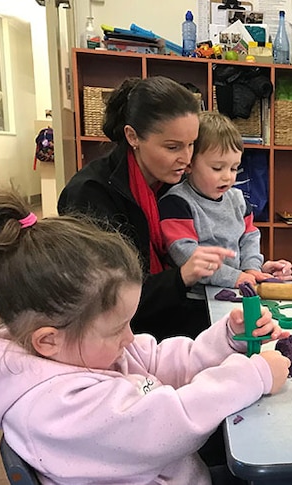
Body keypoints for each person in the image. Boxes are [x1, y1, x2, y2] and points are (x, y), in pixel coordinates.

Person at [0, 188, 291, 485]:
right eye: (117, 329)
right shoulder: (59, 407)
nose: (130, 338)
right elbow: (168, 424)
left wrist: (228, 337)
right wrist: (253, 375)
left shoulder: (81, 351)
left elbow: (160, 360)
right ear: (48, 340)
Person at [58, 76, 230, 340]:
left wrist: (254, 268)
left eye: (192, 144)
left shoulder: (174, 184)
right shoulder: (89, 195)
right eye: (172, 147)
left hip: (169, 307)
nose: (186, 159)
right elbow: (104, 299)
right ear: (133, 136)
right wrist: (182, 275)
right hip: (122, 333)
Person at [159, 111, 292, 293]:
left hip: (236, 289)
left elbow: (250, 237)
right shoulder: (177, 203)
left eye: (234, 168)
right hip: (194, 300)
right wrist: (235, 277)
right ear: (189, 165)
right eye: (217, 168)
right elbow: (186, 255)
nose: (228, 176)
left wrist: (252, 268)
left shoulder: (238, 199)